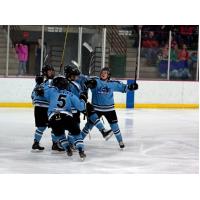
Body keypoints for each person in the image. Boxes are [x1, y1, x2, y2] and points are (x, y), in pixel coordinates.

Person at [81, 67, 138, 149]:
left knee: (115, 126)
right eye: (102, 72)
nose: (103, 74)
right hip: (96, 109)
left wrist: (131, 87)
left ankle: (120, 142)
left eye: (105, 73)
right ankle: (79, 140)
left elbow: (124, 88)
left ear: (108, 75)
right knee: (88, 126)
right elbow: (87, 83)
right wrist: (89, 84)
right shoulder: (96, 81)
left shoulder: (113, 83)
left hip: (109, 109)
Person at [64, 64, 113, 146]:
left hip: (79, 104)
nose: (77, 77)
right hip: (71, 107)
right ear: (69, 75)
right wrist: (83, 95)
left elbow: (90, 80)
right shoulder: (66, 83)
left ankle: (103, 131)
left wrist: (91, 82)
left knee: (90, 111)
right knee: (75, 124)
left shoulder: (78, 79)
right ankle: (68, 142)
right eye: (74, 75)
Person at [44, 76, 87, 159]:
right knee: (77, 134)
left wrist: (41, 82)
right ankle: (81, 151)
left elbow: (42, 90)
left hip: (53, 118)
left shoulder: (51, 91)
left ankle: (67, 148)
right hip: (67, 117)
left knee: (60, 135)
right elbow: (81, 107)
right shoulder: (71, 94)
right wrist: (83, 99)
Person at [31, 65, 58, 151]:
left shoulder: (53, 82)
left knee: (55, 126)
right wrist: (38, 89)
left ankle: (55, 144)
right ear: (45, 72)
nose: (52, 72)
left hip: (49, 108)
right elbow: (32, 96)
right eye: (50, 71)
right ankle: (36, 143)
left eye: (52, 70)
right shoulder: (41, 83)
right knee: (42, 127)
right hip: (41, 108)